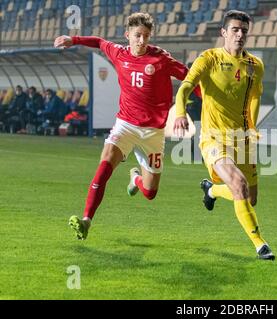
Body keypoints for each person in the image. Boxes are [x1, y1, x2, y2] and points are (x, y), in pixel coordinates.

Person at [54, 12, 195, 240]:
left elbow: (189, 78)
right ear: (127, 34)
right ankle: (87, 220)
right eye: (138, 35)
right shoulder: (119, 53)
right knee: (104, 165)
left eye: (146, 36)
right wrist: (75, 40)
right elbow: (100, 42)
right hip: (126, 126)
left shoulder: (161, 59)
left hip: (154, 133)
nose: (142, 40)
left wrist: (208, 100)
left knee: (149, 193)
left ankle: (136, 178)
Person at [173, 10, 275, 260]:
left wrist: (251, 126)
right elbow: (185, 86)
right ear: (223, 33)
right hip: (213, 138)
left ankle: (212, 191)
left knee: (250, 199)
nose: (240, 35)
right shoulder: (208, 59)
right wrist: (179, 112)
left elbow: (254, 96)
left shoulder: (255, 65)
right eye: (235, 30)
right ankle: (260, 244)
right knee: (238, 185)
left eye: (244, 31)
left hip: (243, 139)